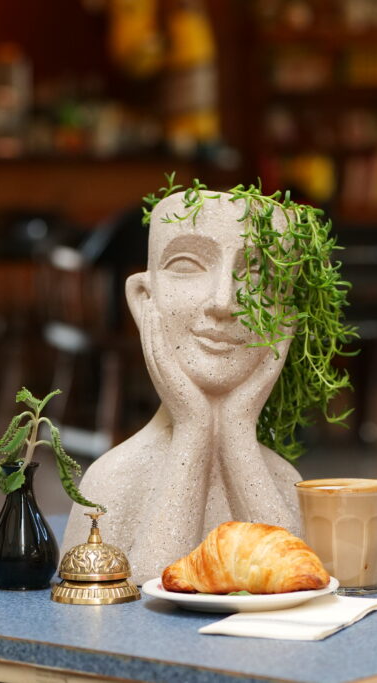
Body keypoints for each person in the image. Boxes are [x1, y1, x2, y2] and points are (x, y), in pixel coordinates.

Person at [60, 191, 302, 585]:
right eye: (188, 266)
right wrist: (192, 426)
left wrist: (239, 429)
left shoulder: (282, 484)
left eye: (257, 274)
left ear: (285, 318)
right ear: (144, 299)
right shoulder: (114, 481)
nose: (224, 301)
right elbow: (142, 598)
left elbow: (299, 580)